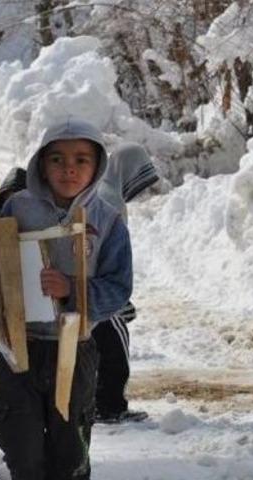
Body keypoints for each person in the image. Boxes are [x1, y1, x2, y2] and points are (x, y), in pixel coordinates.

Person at [0, 118, 133, 479]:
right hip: (18, 348)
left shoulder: (106, 220)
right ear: (41, 163)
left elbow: (119, 287)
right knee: (21, 447)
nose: (69, 169)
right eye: (57, 159)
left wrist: (72, 290)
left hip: (75, 350)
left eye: (81, 159)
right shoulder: (17, 209)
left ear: (97, 165)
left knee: (69, 452)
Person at [93, 142, 159, 424]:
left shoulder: (99, 189)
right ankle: (110, 407)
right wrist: (118, 297)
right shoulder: (111, 198)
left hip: (94, 288)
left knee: (96, 349)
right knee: (115, 351)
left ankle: (96, 404)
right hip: (102, 291)